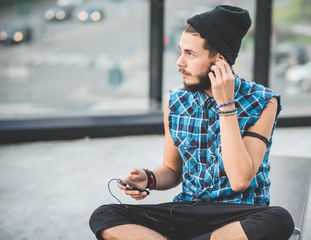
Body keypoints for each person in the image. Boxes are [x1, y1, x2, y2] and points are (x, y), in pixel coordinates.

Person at [89, 5, 294, 240]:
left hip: (238, 215)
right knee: (104, 215)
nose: (180, 62)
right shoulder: (175, 102)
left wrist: (226, 105)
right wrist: (149, 179)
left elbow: (240, 180)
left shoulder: (263, 102)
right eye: (181, 51)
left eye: (191, 54)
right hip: (187, 210)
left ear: (219, 59)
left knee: (278, 220)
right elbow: (172, 170)